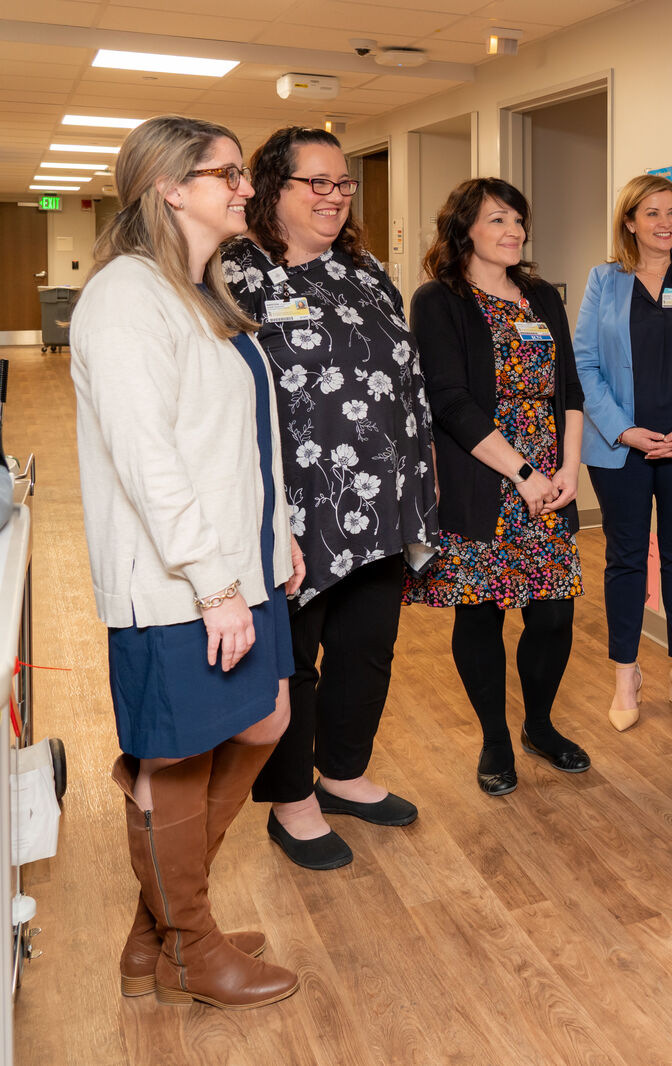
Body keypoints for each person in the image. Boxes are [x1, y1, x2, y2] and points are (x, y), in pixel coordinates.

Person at [70, 115, 301, 1008]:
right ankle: (188, 948)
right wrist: (213, 583)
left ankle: (160, 932)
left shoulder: (202, 290)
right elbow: (147, 458)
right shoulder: (125, 297)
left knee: (265, 720)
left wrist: (276, 533)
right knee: (176, 757)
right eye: (227, 173)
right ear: (170, 187)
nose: (246, 187)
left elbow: (239, 440)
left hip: (239, 562)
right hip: (178, 581)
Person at [223, 125, 438, 871]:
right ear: (271, 188)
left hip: (382, 499)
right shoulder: (237, 272)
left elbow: (406, 379)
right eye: (315, 182)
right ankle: (292, 801)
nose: (334, 196)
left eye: (342, 183)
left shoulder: (366, 270)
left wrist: (422, 472)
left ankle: (343, 773)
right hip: (297, 508)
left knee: (367, 648)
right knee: (296, 661)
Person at [407, 178, 590, 795]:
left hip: (549, 484)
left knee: (553, 616)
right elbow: (450, 402)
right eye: (497, 220)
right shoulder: (439, 300)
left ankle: (539, 725)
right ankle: (495, 738)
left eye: (517, 220)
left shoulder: (541, 296)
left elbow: (568, 389)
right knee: (481, 615)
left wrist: (569, 469)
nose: (514, 231)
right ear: (464, 229)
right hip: (483, 479)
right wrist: (523, 473)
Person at [572, 174, 672, 731]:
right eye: (651, 213)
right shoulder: (605, 280)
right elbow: (585, 363)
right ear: (629, 221)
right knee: (625, 559)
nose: (665, 223)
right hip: (622, 450)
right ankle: (627, 674)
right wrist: (623, 431)